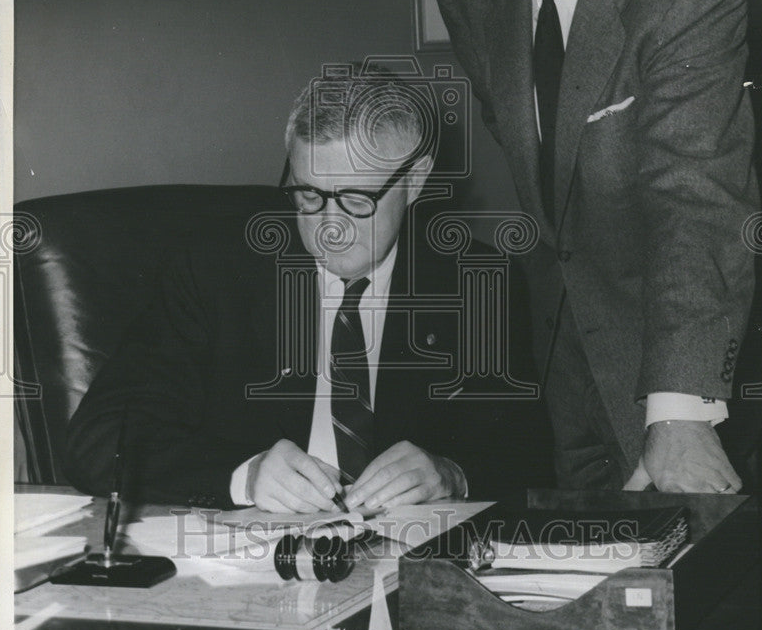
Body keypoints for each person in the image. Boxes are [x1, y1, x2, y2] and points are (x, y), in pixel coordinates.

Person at [436, 0, 757, 493]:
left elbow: (695, 204)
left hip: (672, 337)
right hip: (556, 337)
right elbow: (527, 142)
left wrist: (679, 413)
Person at [64, 73, 552, 509]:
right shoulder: (215, 271)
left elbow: (527, 459)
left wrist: (451, 473)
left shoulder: (476, 280)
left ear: (416, 180)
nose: (329, 229)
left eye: (358, 200)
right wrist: (245, 477)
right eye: (309, 195)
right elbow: (97, 439)